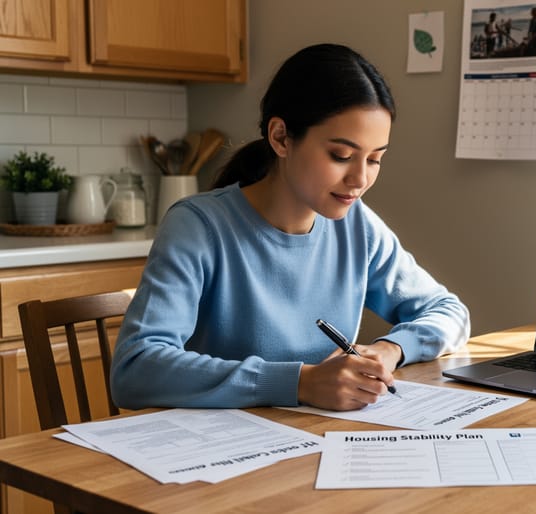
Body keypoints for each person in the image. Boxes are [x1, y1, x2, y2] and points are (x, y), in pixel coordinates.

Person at [110, 44, 471, 412]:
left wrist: (390, 349)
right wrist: (300, 382)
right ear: (281, 137)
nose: (360, 179)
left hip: (320, 443)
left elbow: (449, 311)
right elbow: (136, 368)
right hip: (221, 453)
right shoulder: (197, 226)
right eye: (341, 156)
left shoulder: (357, 225)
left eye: (375, 159)